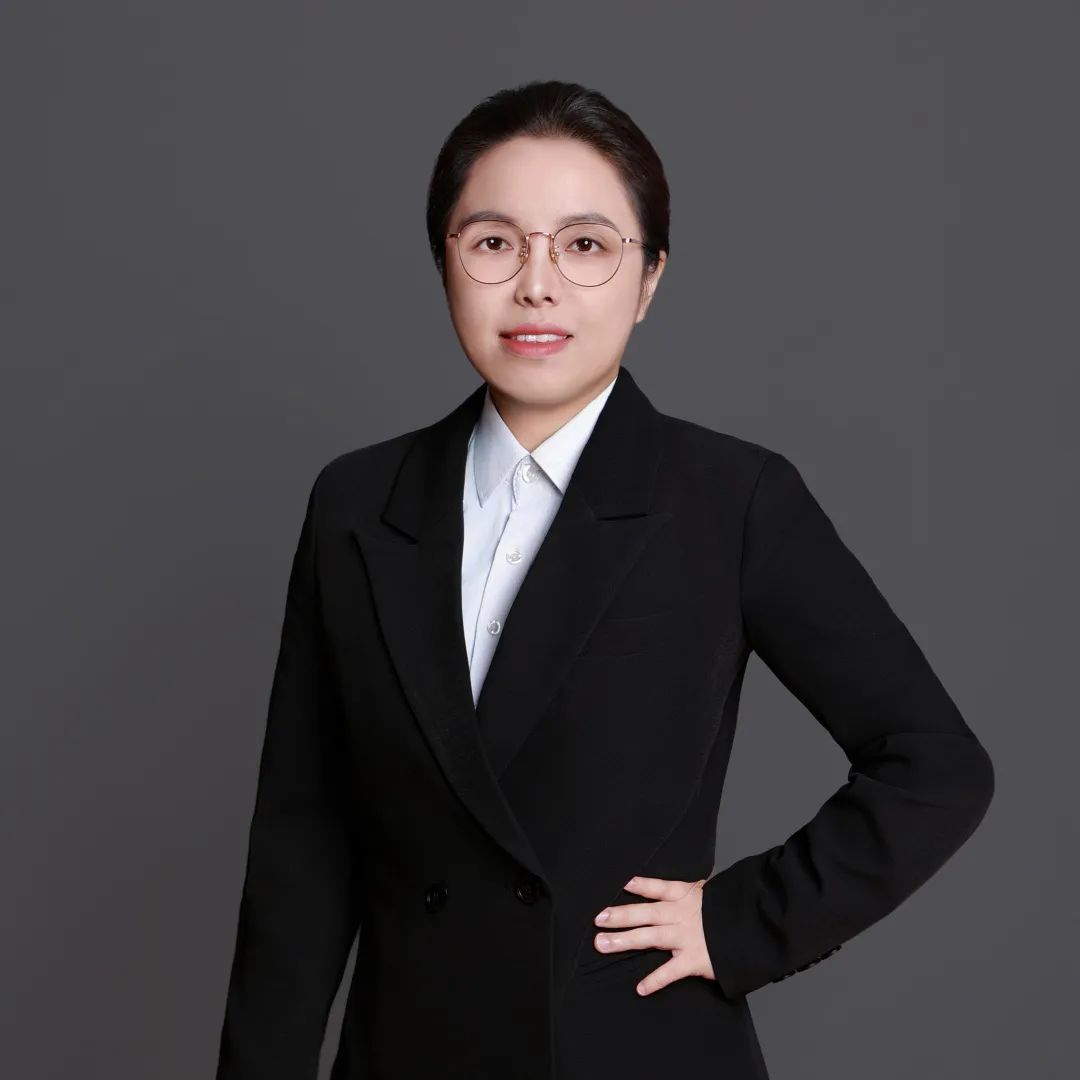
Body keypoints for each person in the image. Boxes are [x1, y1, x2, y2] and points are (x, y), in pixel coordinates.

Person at [215, 80, 994, 1080]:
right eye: (494, 243)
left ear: (650, 277)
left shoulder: (730, 499)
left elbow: (935, 764)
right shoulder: (358, 504)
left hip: (628, 1048)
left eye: (585, 245)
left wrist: (739, 922)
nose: (536, 286)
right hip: (410, 1050)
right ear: (445, 262)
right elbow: (302, 844)